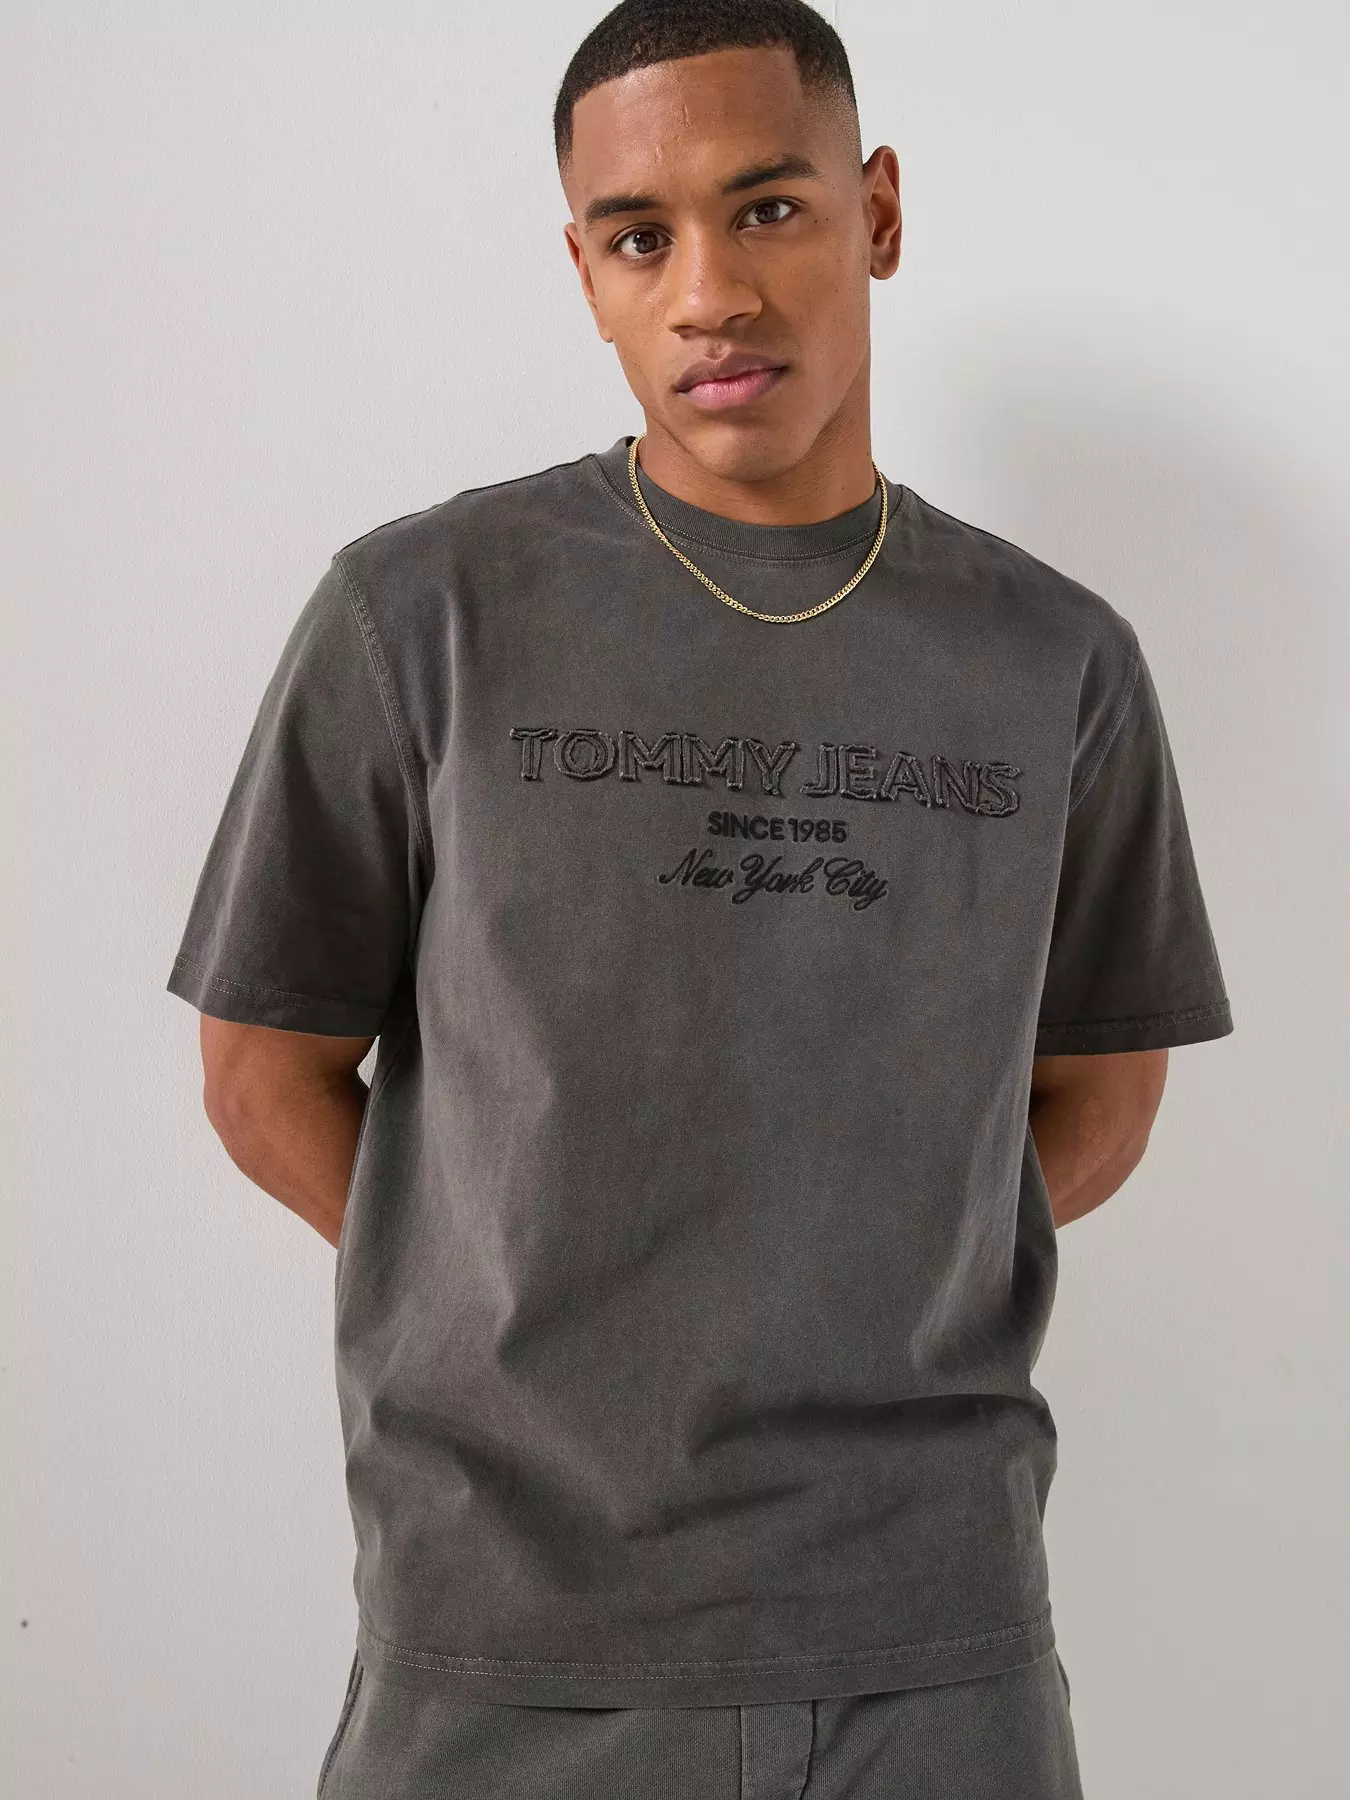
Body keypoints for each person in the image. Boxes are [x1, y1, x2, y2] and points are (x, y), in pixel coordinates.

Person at [165, 2, 1235, 1794]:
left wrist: (851, 1258)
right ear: (583, 274)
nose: (708, 294)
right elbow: (260, 1076)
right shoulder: (419, 617)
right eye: (637, 237)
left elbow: (1102, 1099)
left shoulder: (1053, 660)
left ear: (875, 212)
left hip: (932, 1641)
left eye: (768, 209)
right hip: (509, 1637)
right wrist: (520, 1281)